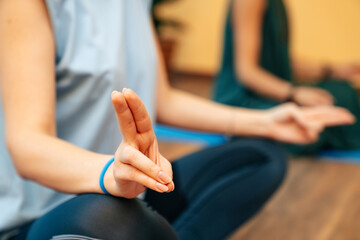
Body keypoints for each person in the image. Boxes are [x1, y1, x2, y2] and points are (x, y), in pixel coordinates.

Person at [0, 0, 354, 239]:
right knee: (115, 218)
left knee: (261, 156)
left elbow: (162, 99)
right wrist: (110, 173)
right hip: (46, 214)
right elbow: (28, 146)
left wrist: (267, 121)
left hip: (124, 188)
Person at [213, 0, 360, 155]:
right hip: (243, 99)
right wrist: (294, 93)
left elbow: (280, 59)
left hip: (272, 92)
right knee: (307, 123)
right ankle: (245, 129)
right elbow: (247, 72)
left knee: (341, 91)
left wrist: (330, 71)